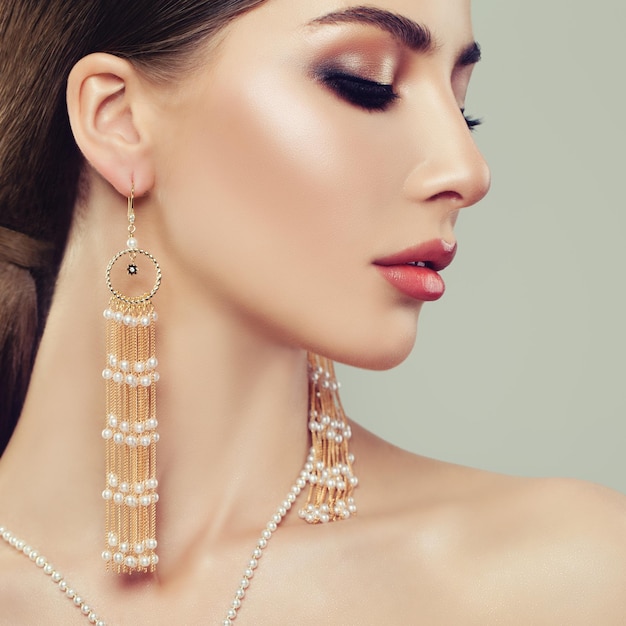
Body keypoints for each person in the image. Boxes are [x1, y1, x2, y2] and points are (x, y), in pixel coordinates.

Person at [0, 0, 625, 624]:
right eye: (366, 85)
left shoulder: (566, 576)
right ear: (119, 120)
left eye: (464, 110)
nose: (467, 169)